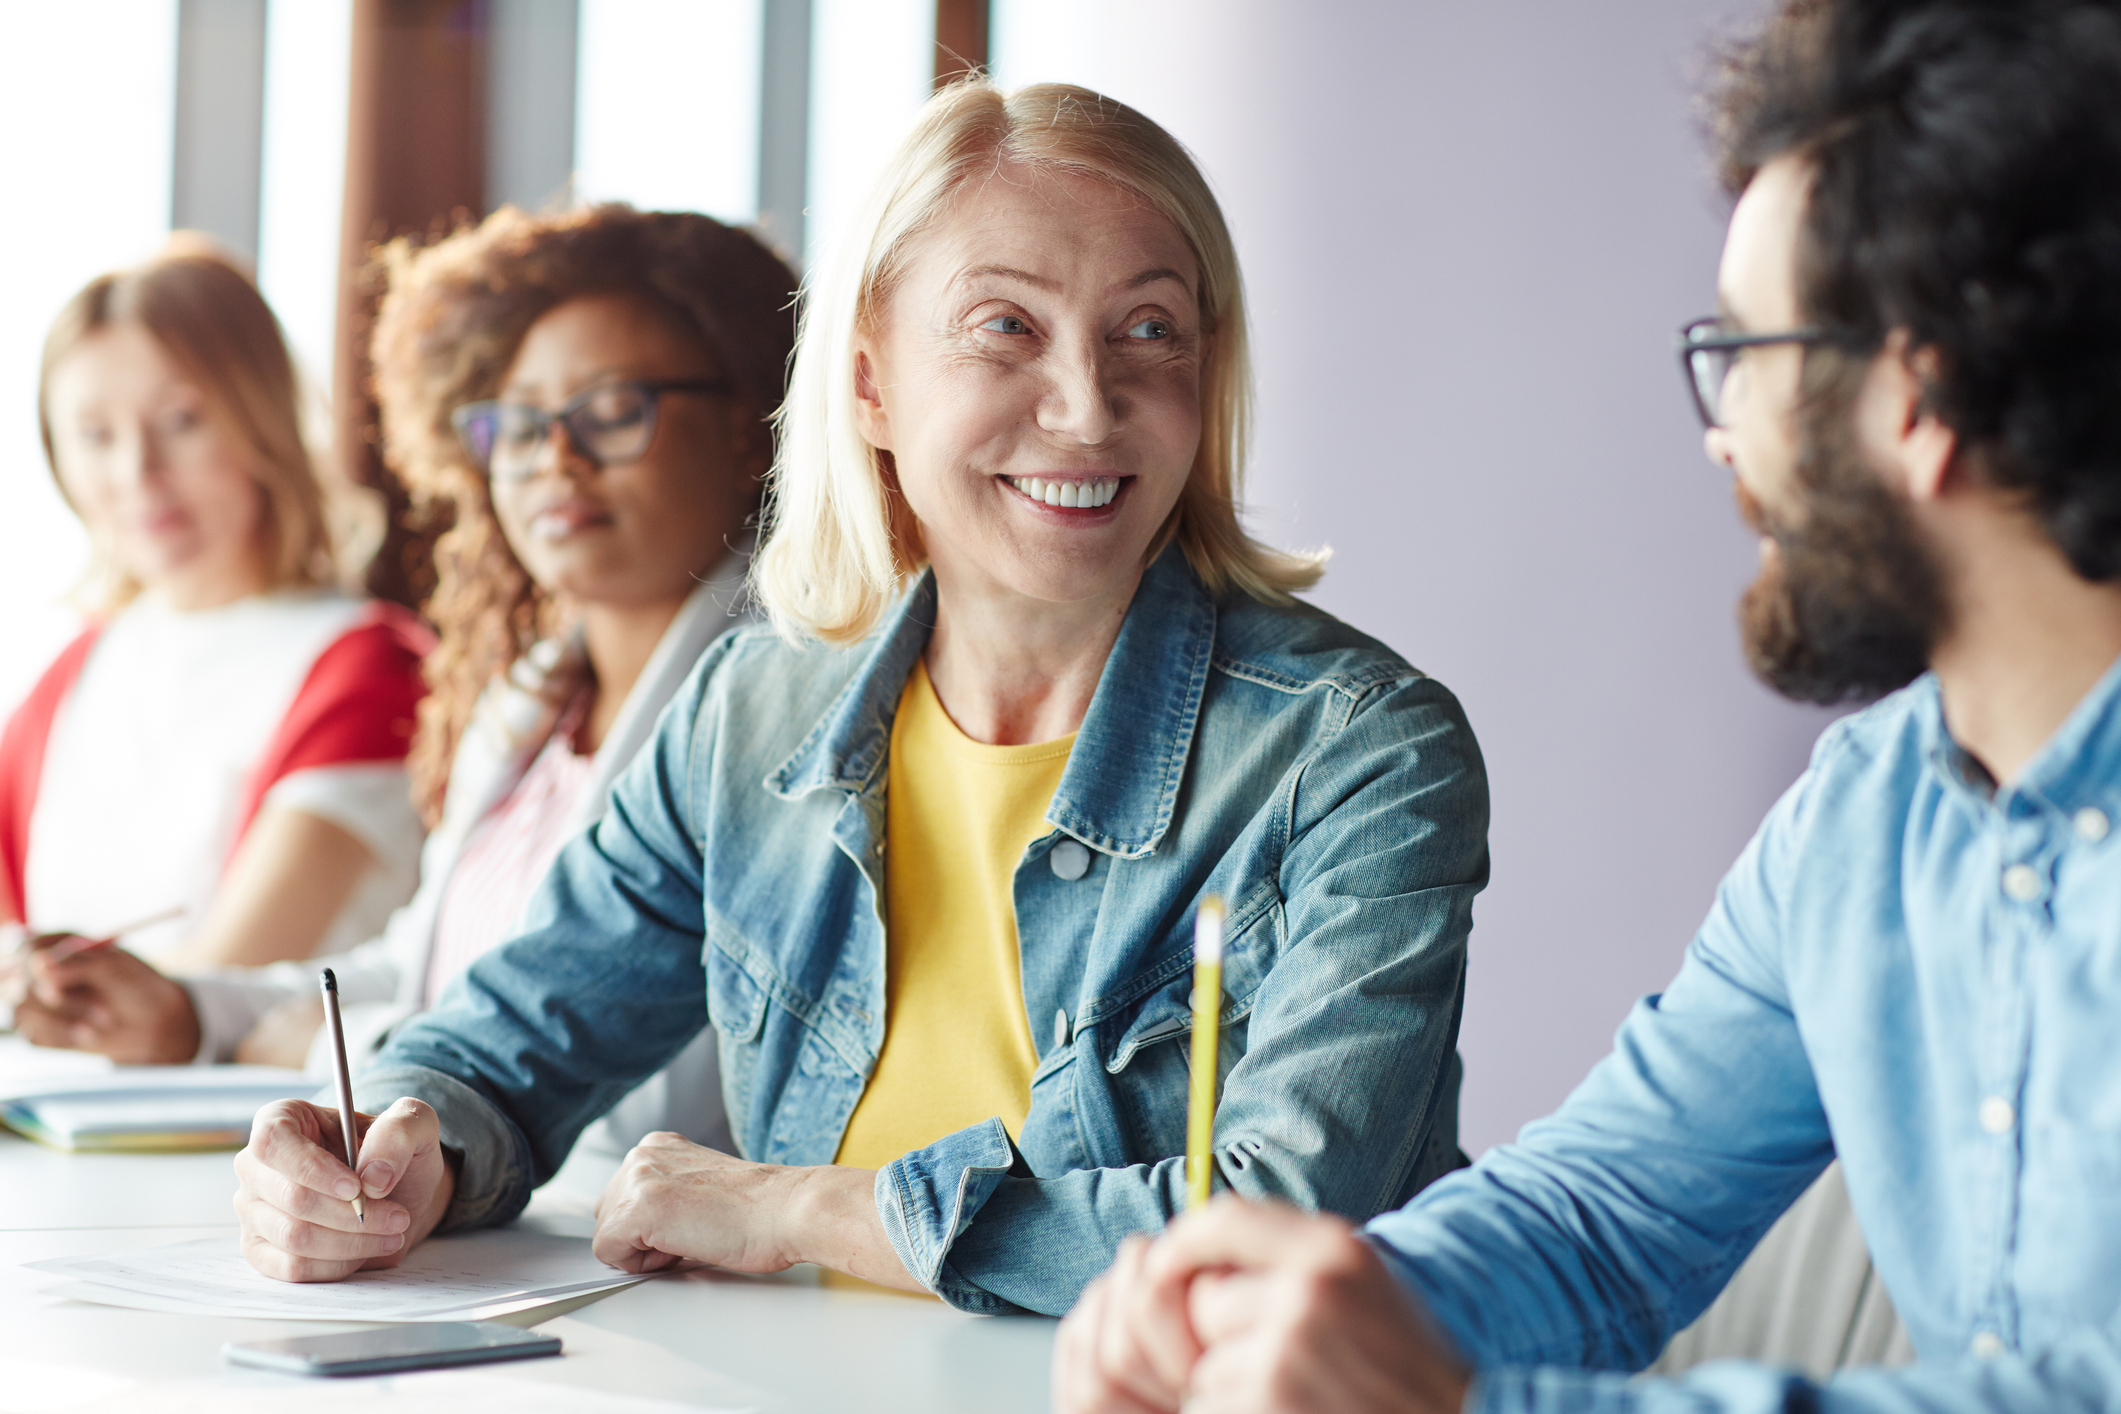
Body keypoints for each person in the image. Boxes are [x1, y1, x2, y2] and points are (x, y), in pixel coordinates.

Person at [226, 80, 1491, 1314]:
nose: (1088, 404)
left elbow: (1282, 1225)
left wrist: (808, 1210)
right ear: (873, 382)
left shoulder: (1361, 752)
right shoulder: (751, 712)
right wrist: (382, 1156)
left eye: (1150, 329)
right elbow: (504, 1049)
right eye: (1007, 326)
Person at [1052, 0, 2121, 1409]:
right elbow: (1601, 1220)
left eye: (1747, 355)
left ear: (1914, 396)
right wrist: (1304, 1311)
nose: (1721, 433)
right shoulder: (1862, 825)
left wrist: (1455, 1404)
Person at [14, 207, 798, 1176]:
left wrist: (324, 1048)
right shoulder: (532, 701)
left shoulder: (786, 707)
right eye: (518, 424)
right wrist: (193, 1011)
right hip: (493, 1235)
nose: (555, 459)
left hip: (654, 1270)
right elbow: (419, 968)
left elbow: (643, 1096)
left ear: (746, 425)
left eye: (610, 411)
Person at [0, 241, 427, 1007]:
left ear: (258, 417)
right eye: (94, 435)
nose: (138, 472)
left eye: (182, 420)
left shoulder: (367, 666)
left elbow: (218, 984)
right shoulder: (72, 673)